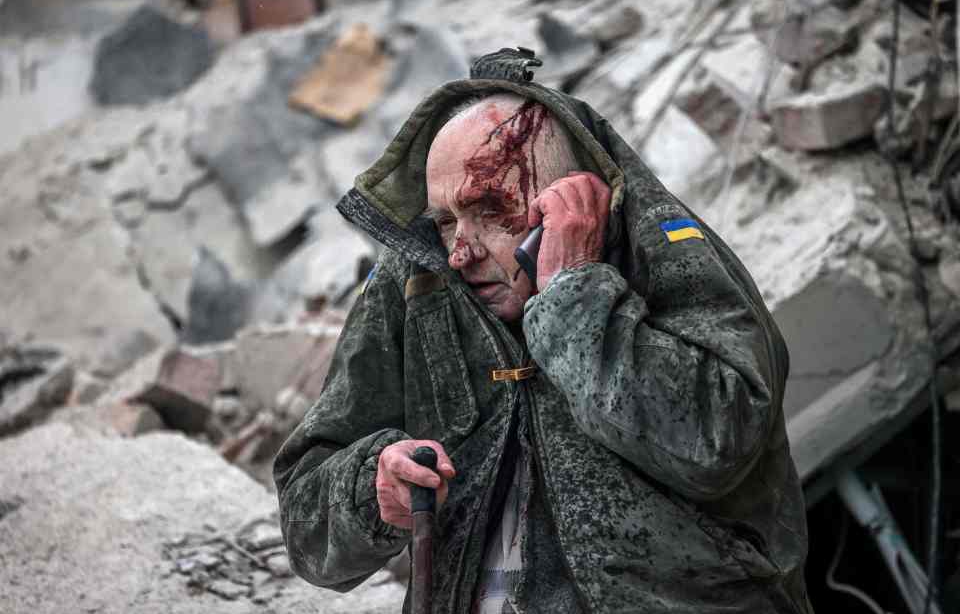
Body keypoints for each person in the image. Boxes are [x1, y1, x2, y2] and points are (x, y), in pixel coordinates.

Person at [273, 48, 813, 614]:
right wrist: (371, 489)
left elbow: (716, 442)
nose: (459, 251)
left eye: (488, 208)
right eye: (445, 221)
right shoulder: (418, 284)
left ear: (569, 201)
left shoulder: (665, 258)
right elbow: (307, 536)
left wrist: (572, 294)